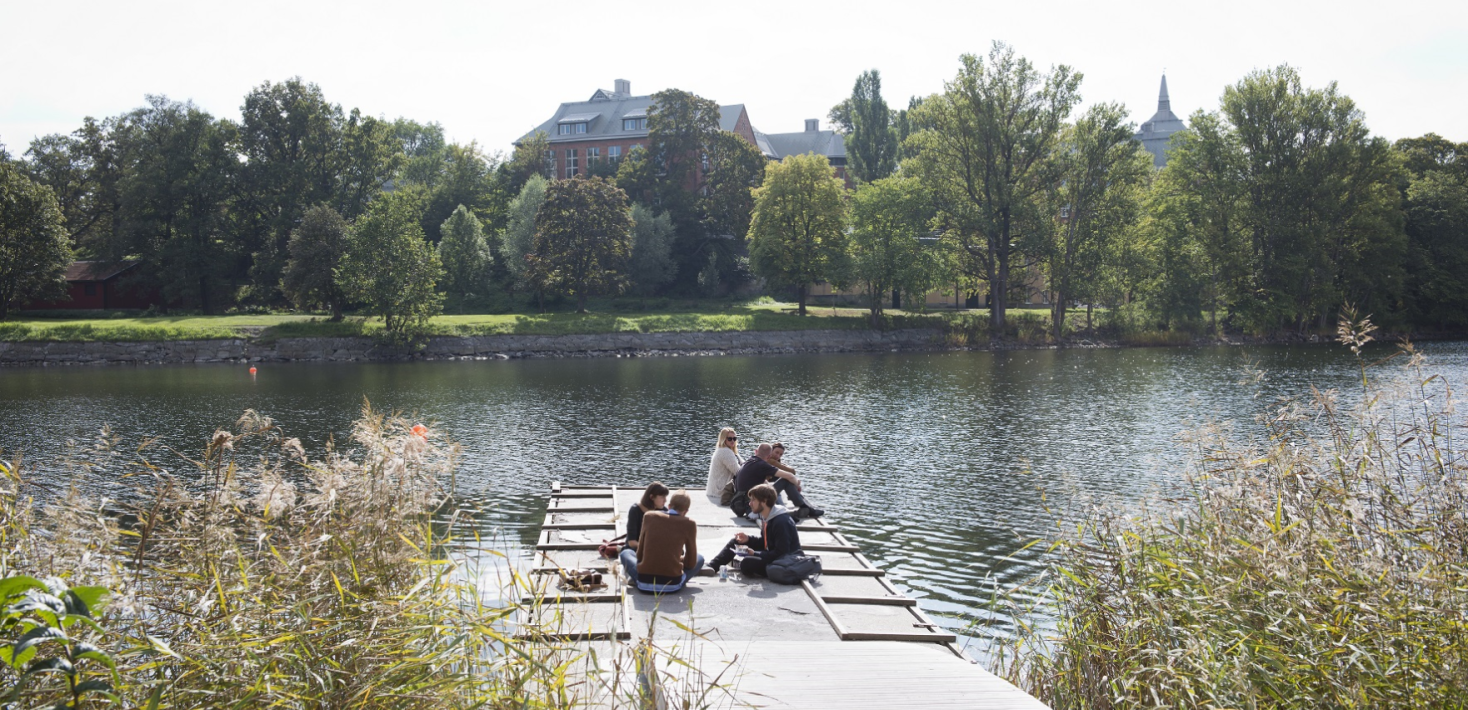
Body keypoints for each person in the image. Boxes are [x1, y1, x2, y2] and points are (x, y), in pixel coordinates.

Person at [708, 484, 800, 578]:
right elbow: (765, 542)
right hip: (773, 554)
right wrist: (748, 539)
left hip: (785, 561)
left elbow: (781, 553)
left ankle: (737, 564)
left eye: (753, 500)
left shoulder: (781, 522)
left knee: (747, 563)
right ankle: (711, 567)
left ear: (764, 501)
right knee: (736, 542)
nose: (750, 503)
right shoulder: (768, 517)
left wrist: (754, 553)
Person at [626, 490, 704, 593]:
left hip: (644, 582)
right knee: (700, 558)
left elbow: (640, 555)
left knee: (626, 553)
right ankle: (676, 576)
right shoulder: (690, 524)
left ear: (669, 506)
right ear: (686, 511)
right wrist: (677, 559)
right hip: (672, 585)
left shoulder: (649, 516)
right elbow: (690, 563)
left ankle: (635, 578)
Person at [734, 442, 824, 519]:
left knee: (774, 486)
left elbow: (762, 483)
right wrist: (797, 484)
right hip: (751, 503)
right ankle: (805, 508)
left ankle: (802, 508)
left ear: (756, 451)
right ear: (769, 456)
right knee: (785, 480)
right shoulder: (762, 465)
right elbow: (790, 475)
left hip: (741, 503)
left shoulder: (748, 462)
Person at [618, 481, 668, 581]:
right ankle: (641, 575)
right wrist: (650, 548)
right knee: (625, 554)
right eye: (662, 497)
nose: (665, 500)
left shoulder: (664, 511)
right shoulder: (635, 510)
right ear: (651, 497)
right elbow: (632, 542)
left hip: (656, 550)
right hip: (637, 549)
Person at [706, 427, 741, 502]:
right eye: (729, 439)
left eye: (734, 439)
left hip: (713, 491)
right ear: (723, 439)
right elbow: (738, 472)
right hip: (720, 493)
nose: (732, 441)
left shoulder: (724, 450)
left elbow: (742, 464)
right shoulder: (725, 452)